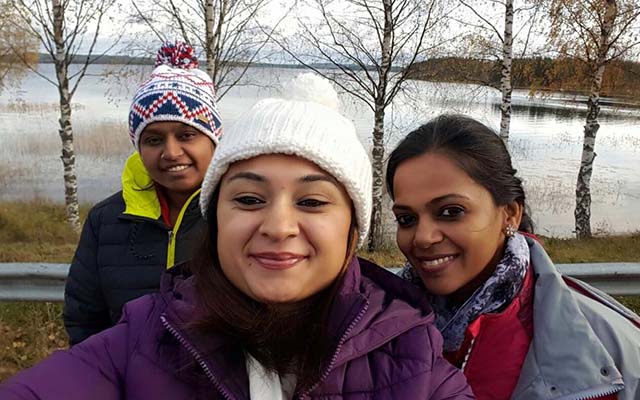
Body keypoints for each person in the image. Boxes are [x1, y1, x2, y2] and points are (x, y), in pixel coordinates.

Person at [0, 74, 473, 400]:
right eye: (249, 199)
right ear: (217, 219)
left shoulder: (412, 355)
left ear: (353, 230)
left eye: (311, 202)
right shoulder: (145, 336)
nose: (278, 226)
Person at [386, 114, 640, 400]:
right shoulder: (373, 326)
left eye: (451, 211)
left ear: (510, 213)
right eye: (406, 219)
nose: (422, 237)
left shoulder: (611, 351)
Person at [63, 42, 223, 345]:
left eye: (187, 135)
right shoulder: (106, 219)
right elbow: (84, 318)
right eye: (153, 139)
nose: (171, 152)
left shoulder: (239, 213)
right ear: (138, 147)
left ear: (213, 140)